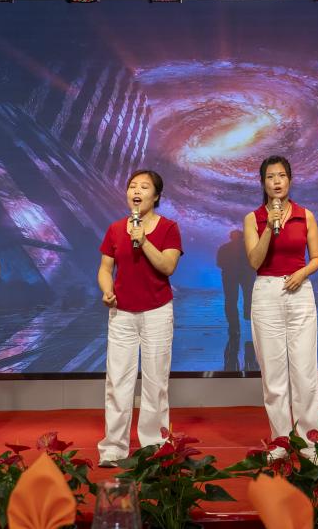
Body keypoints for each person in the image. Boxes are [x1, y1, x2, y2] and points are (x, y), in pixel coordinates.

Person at [96, 169, 183, 467]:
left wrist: (143, 240)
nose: (136, 191)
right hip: (121, 312)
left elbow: (168, 266)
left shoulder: (168, 228)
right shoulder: (115, 228)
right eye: (132, 186)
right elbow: (105, 268)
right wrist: (107, 290)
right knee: (117, 380)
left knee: (155, 381)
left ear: (156, 196)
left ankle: (154, 445)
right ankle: (113, 448)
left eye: (144, 187)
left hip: (157, 310)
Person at [243, 155, 318, 452]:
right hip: (266, 293)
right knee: (273, 376)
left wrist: (302, 273)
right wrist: (269, 227)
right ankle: (280, 443)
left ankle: (310, 443)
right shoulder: (253, 219)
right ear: (262, 182)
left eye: (281, 176)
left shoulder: (306, 215)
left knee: (304, 373)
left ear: (290, 179)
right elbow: (254, 261)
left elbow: (317, 258)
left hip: (299, 291)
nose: (276, 182)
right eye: (270, 177)